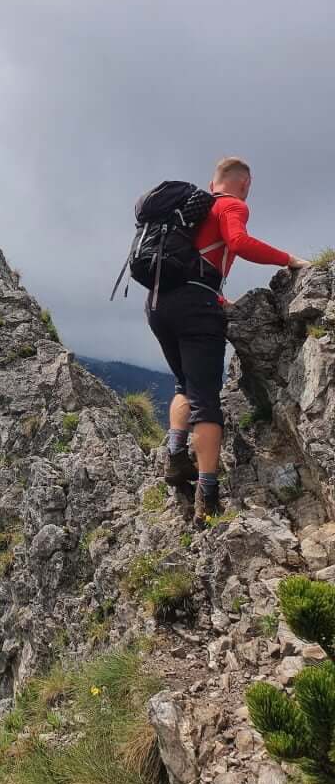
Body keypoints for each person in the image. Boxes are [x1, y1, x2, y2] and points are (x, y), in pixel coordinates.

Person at [146, 157, 310, 527]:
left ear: (212, 181)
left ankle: (175, 453)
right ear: (245, 182)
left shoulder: (187, 212)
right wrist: (289, 260)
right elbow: (238, 241)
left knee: (183, 384)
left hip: (158, 304)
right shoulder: (232, 204)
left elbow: (193, 263)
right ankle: (208, 497)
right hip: (195, 308)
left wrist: (219, 298)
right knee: (206, 399)